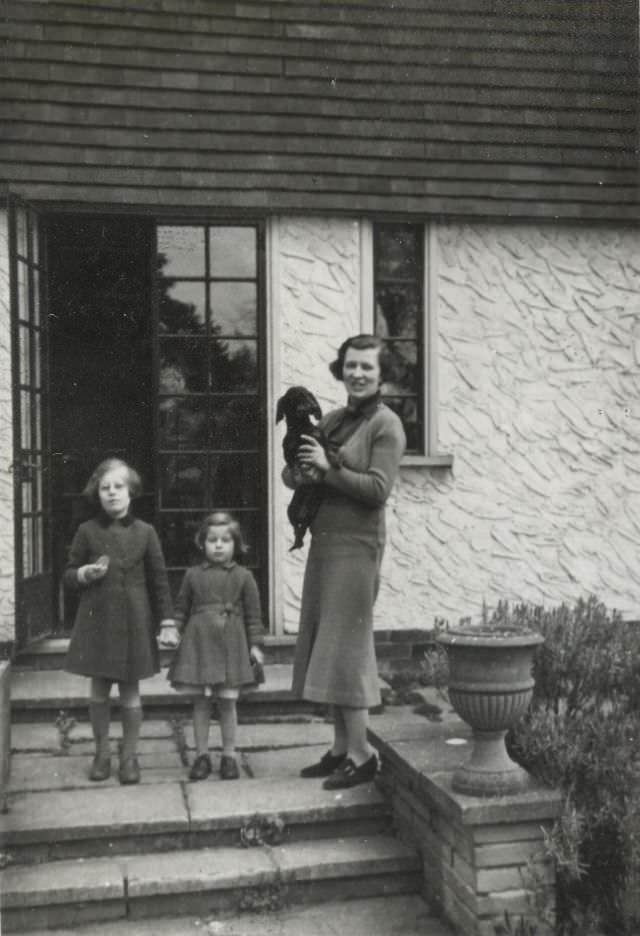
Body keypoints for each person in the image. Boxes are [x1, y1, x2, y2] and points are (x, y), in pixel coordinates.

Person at [284, 334, 406, 789]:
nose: (357, 374)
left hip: (358, 546)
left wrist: (329, 469)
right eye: (351, 365)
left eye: (367, 368)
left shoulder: (386, 425)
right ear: (342, 369)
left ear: (381, 374)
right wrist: (298, 469)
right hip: (326, 542)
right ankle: (340, 749)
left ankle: (363, 753)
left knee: (348, 648)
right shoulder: (332, 419)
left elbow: (377, 490)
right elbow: (297, 472)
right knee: (326, 644)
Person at [64, 458, 174, 785]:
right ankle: (101, 753)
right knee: (98, 688)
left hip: (134, 621)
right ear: (96, 494)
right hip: (97, 620)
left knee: (130, 690)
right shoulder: (87, 531)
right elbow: (68, 575)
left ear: (132, 492)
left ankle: (129, 756)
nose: (112, 494)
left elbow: (159, 581)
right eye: (105, 488)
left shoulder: (146, 532)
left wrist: (167, 620)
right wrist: (84, 574)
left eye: (119, 487)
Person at [165, 512, 265, 781]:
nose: (218, 545)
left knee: (228, 702)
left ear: (236, 544)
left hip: (232, 646)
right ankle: (201, 755)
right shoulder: (192, 575)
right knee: (200, 703)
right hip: (199, 646)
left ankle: (229, 756)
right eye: (212, 540)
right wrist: (173, 629)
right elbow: (181, 609)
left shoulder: (244, 577)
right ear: (202, 543)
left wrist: (255, 646)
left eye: (225, 540)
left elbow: (254, 617)